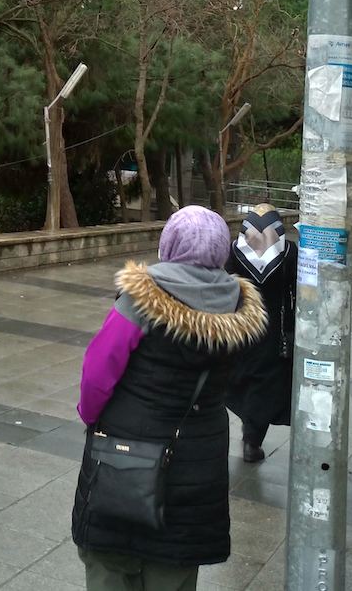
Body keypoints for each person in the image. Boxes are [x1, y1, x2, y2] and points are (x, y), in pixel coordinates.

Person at [73, 205, 267, 591]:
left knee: (111, 560)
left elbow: (98, 372)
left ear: (169, 244)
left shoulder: (140, 298)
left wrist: (91, 416)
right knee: (175, 565)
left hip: (125, 454)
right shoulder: (240, 307)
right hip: (198, 459)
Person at [224, 205, 296, 463]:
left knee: (241, 379)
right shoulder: (289, 253)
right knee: (264, 387)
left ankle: (247, 426)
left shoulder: (234, 252)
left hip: (241, 328)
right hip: (273, 333)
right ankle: (252, 441)